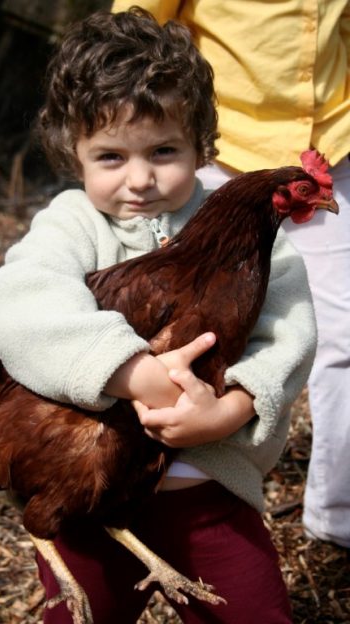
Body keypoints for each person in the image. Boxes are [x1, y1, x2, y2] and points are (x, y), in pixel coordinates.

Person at [0, 9, 317, 623]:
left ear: (202, 144)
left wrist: (232, 409)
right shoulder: (73, 225)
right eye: (110, 157)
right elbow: (16, 299)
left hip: (208, 496)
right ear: (71, 153)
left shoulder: (252, 234)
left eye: (164, 150)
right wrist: (131, 371)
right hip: (83, 499)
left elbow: (289, 335)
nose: (140, 179)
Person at [112, 0, 350, 550]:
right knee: (178, 323)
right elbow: (136, 28)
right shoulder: (128, 193)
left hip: (327, 144)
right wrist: (144, 141)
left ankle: (336, 517)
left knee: (339, 337)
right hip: (220, 143)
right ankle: (170, 483)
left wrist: (237, 407)